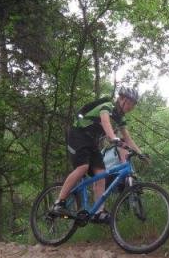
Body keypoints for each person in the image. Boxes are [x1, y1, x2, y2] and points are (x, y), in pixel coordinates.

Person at [52, 86, 142, 222]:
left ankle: (98, 212)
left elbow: (128, 138)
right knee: (82, 167)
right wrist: (113, 138)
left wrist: (141, 154)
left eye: (133, 105)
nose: (130, 107)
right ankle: (59, 202)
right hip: (78, 134)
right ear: (121, 99)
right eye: (129, 103)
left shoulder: (120, 117)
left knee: (101, 175)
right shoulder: (107, 106)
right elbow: (106, 123)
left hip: (91, 142)